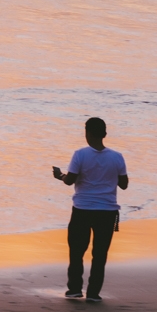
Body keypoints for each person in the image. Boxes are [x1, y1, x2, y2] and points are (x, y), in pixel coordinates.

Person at [51, 115, 127, 301]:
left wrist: (60, 175)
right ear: (104, 134)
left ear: (88, 133)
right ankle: (93, 293)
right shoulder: (117, 157)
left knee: (77, 251)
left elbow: (70, 181)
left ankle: (75, 288)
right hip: (107, 211)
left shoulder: (80, 154)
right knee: (100, 253)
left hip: (83, 209)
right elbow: (124, 184)